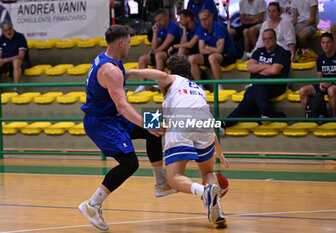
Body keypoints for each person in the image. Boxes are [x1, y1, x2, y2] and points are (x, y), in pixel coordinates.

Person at [78, 25, 176, 231]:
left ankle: (161, 184)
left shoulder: (109, 60)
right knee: (130, 163)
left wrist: (160, 76)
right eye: (130, 42)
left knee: (154, 126)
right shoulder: (110, 70)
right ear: (121, 42)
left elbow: (129, 75)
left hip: (112, 116)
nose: (130, 46)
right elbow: (122, 106)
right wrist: (145, 125)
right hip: (102, 122)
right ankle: (92, 204)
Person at [127, 54, 229, 228]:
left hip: (183, 122)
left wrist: (132, 71)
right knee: (207, 173)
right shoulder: (198, 89)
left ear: (170, 71)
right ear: (189, 74)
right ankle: (216, 209)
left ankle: (204, 192)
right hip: (205, 124)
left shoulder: (171, 79)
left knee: (174, 179)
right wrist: (218, 150)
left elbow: (162, 77)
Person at [222, 29, 290, 128]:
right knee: (249, 97)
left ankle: (265, 112)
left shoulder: (281, 52)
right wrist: (267, 67)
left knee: (256, 84)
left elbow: (274, 71)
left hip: (276, 85)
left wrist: (258, 69)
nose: (267, 41)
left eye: (270, 38)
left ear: (275, 39)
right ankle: (270, 115)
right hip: (258, 86)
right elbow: (249, 68)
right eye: (264, 39)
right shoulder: (258, 51)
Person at [299, 32, 336, 117]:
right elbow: (319, 75)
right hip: (325, 83)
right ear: (321, 44)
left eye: (328, 42)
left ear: (333, 43)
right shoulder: (320, 58)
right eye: (323, 42)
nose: (325, 45)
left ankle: (334, 117)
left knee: (331, 90)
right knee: (303, 91)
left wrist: (331, 82)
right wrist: (321, 83)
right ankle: (310, 116)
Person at [188, 9, 237, 91]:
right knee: (192, 58)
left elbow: (220, 50)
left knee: (212, 57)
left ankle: (219, 87)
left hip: (228, 54)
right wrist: (212, 49)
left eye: (205, 19)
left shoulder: (219, 27)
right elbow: (201, 50)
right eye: (201, 20)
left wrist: (207, 47)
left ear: (210, 17)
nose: (203, 22)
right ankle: (199, 86)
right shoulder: (201, 28)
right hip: (214, 54)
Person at [135, 9, 181, 93]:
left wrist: (153, 52)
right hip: (161, 53)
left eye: (159, 20)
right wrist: (155, 33)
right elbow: (154, 47)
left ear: (166, 18)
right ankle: (141, 85)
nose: (158, 22)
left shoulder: (173, 27)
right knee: (142, 59)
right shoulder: (160, 29)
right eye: (156, 20)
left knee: (158, 55)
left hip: (173, 54)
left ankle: (157, 82)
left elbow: (165, 45)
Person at [0, 20, 30, 92]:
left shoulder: (20, 37)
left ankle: (16, 88)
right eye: (5, 30)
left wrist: (5, 60)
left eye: (9, 29)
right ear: (2, 31)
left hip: (21, 62)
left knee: (16, 62)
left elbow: (21, 56)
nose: (8, 32)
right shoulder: (1, 38)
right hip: (6, 63)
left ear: (12, 28)